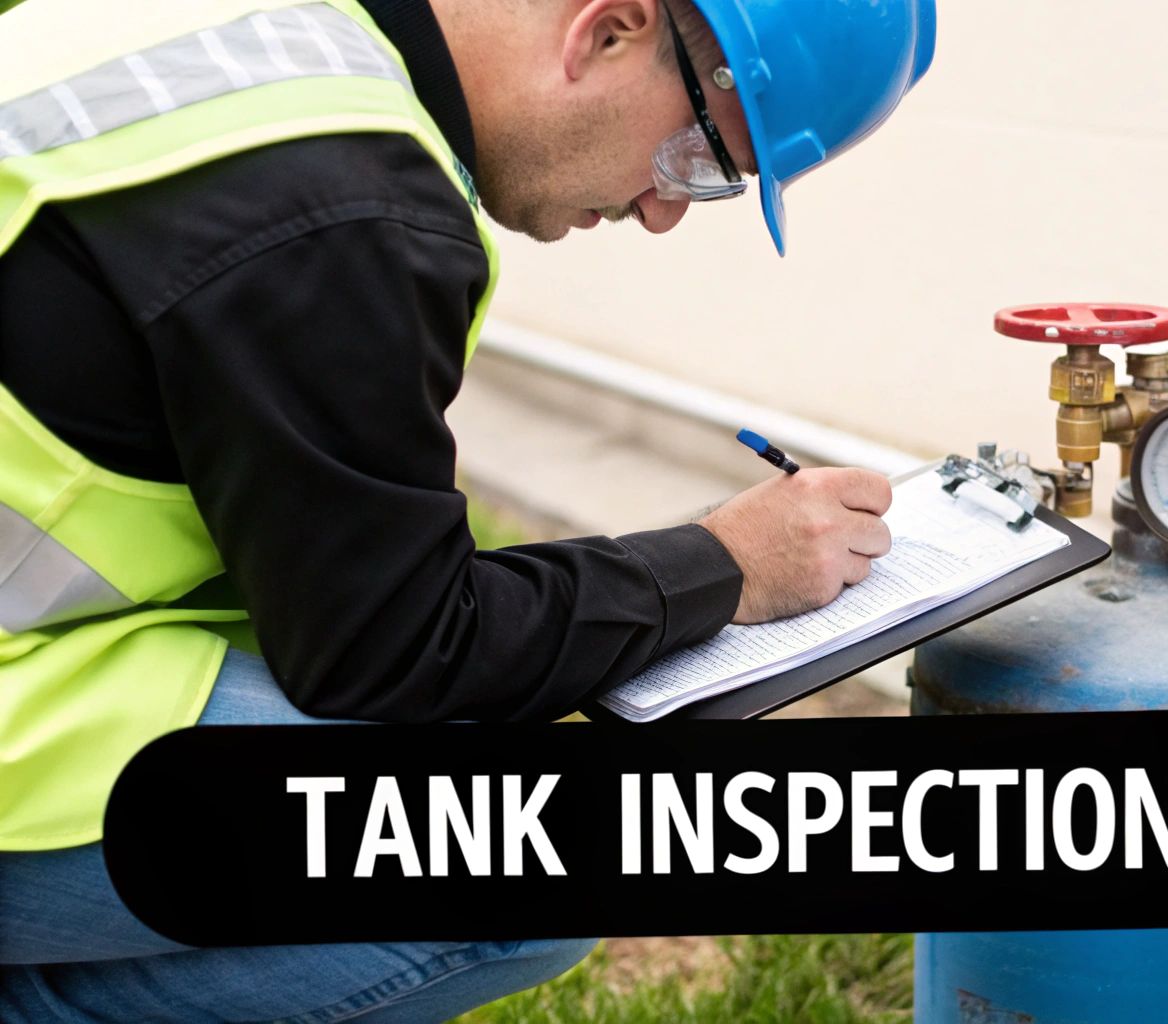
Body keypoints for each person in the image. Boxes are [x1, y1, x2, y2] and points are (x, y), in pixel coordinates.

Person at [0, 0, 935, 1017]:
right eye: (698, 159)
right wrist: (724, 567)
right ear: (607, 30)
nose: (661, 210)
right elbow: (391, 647)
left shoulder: (256, 52)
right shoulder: (334, 199)